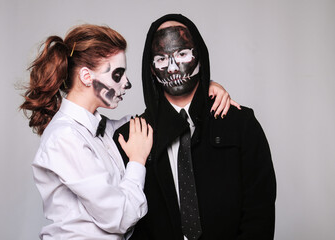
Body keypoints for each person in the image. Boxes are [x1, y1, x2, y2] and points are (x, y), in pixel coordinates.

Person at [20, 24, 237, 239]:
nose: (127, 83)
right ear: (87, 77)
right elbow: (120, 217)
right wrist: (137, 161)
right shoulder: (64, 138)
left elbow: (157, 120)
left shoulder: (103, 129)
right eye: (117, 74)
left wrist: (204, 86)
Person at [114, 14, 276, 240]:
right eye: (161, 58)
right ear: (151, 68)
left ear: (198, 55)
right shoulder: (130, 137)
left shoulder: (241, 124)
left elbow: (260, 212)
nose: (172, 68)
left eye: (182, 54)